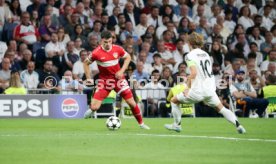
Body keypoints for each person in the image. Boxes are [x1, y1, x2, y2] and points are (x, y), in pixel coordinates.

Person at [164, 32, 246, 134]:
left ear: (190, 43)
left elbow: (193, 73)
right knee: (221, 108)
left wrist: (187, 88)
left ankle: (177, 125)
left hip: (198, 90)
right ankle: (239, 126)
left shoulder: (189, 55)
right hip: (210, 89)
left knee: (173, 100)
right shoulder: (206, 54)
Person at [83, 31, 150, 130]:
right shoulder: (96, 53)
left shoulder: (117, 49)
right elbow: (85, 63)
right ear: (101, 41)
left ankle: (141, 124)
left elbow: (128, 57)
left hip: (119, 80)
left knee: (131, 102)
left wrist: (121, 71)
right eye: (105, 42)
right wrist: (88, 78)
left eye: (110, 41)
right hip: (105, 82)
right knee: (95, 107)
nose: (108, 44)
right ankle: (91, 109)